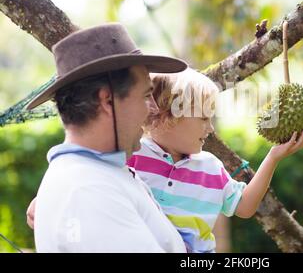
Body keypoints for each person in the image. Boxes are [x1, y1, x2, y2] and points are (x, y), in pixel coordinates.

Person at [27, 23, 188, 252]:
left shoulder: (96, 174)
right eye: (145, 95)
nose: (153, 108)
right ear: (107, 101)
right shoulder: (88, 191)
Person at [127, 68, 303, 252]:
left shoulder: (210, 168)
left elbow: (245, 207)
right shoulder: (133, 157)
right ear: (166, 116)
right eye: (204, 118)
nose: (210, 128)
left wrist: (273, 157)